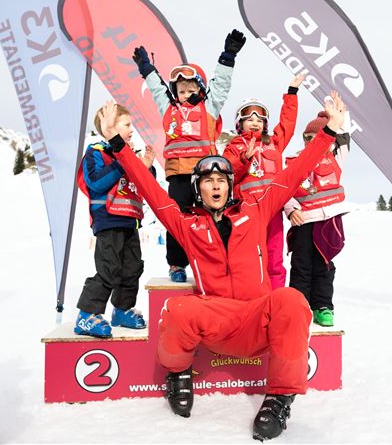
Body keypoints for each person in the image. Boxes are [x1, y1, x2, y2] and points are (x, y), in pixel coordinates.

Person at [99, 92, 345, 440]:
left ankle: (279, 398)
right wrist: (117, 145)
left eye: (222, 180)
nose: (215, 185)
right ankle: (179, 374)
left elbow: (294, 174)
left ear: (231, 186)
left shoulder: (256, 210)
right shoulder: (188, 224)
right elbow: (151, 190)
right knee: (178, 309)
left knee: (291, 299)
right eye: (208, 181)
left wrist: (329, 133)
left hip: (256, 319)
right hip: (215, 323)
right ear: (198, 188)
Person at [131, 29, 246, 283]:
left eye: (190, 89)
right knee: (178, 219)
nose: (185, 94)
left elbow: (221, 85)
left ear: (201, 90)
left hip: (205, 174)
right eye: (181, 90)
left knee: (211, 215)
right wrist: (146, 68)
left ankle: (214, 260)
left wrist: (228, 55)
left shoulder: (209, 106)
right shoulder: (168, 109)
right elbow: (156, 89)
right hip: (179, 177)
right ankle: (177, 264)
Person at [74, 104, 156, 338]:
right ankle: (87, 314)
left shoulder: (130, 153)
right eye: (127, 125)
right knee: (109, 268)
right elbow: (96, 182)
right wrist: (122, 161)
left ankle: (122, 309)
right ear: (109, 126)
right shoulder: (97, 152)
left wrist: (146, 168)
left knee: (132, 268)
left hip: (130, 219)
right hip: (108, 219)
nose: (132, 129)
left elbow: (142, 185)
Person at [222, 73, 305, 289]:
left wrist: (292, 93)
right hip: (247, 213)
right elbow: (227, 173)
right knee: (249, 259)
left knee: (274, 258)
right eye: (249, 118)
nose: (255, 122)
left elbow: (287, 124)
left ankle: (275, 301)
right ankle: (252, 301)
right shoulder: (234, 146)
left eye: (260, 119)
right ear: (240, 123)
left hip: (273, 213)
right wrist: (244, 158)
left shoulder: (273, 143)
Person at [284, 111, 351, 327]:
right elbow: (284, 190)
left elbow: (344, 133)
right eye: (309, 139)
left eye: (320, 138)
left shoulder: (336, 158)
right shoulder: (295, 161)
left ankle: (323, 306)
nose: (314, 144)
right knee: (301, 265)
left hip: (328, 221)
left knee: (324, 265)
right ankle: (298, 305)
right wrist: (291, 209)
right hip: (304, 221)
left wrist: (338, 115)